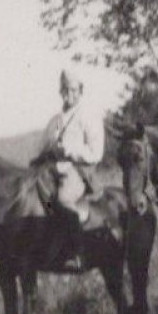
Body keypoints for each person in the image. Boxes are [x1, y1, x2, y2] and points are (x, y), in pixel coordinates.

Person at [37, 68, 108, 265]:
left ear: (80, 91)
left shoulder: (89, 116)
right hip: (53, 169)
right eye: (65, 90)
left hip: (79, 171)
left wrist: (70, 150)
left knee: (64, 199)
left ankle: (76, 251)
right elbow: (46, 143)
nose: (69, 94)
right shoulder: (57, 120)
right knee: (34, 194)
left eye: (73, 90)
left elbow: (96, 153)